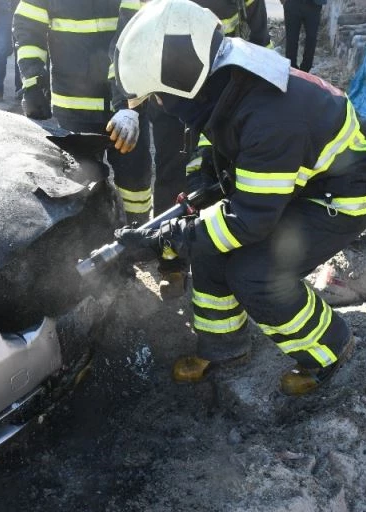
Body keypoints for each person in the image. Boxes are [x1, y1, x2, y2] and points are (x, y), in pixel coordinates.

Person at [112, 0, 366, 395]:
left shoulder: (269, 117)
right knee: (208, 245)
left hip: (346, 192)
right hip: (297, 179)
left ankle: (330, 346)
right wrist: (198, 190)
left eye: (157, 95)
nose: (158, 105)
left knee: (255, 272)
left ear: (181, 80)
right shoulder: (223, 76)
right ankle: (224, 347)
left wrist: (170, 238)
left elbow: (249, 221)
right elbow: (215, 141)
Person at [106, 0, 271, 299]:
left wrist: (263, 85)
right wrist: (125, 106)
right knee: (174, 176)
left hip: (226, 89)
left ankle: (228, 256)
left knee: (224, 175)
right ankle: (172, 264)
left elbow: (259, 34)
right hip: (170, 92)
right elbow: (124, 46)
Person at [13, 0, 153, 225]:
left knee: (135, 181)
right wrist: (33, 82)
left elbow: (135, 35)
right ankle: (90, 244)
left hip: (127, 103)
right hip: (75, 108)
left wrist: (127, 103)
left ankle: (138, 235)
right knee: (80, 184)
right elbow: (28, 26)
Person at [282, 0, 326, 72]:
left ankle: (305, 70)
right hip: (292, 3)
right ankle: (291, 69)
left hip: (314, 5)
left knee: (312, 38)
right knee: (291, 38)